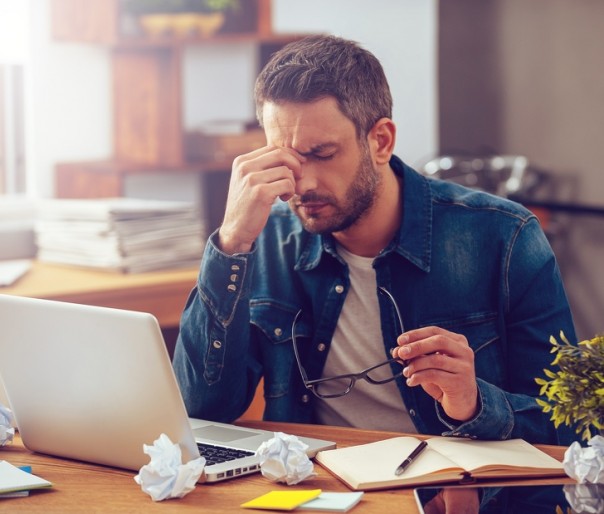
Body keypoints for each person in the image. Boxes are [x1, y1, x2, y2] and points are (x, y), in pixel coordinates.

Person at [173, 35, 577, 445]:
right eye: (287, 157)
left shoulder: (505, 237)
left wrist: (474, 403)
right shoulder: (266, 236)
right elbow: (202, 410)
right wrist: (231, 243)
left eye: (323, 153)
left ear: (381, 141)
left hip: (456, 495)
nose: (303, 183)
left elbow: (571, 427)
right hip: (316, 490)